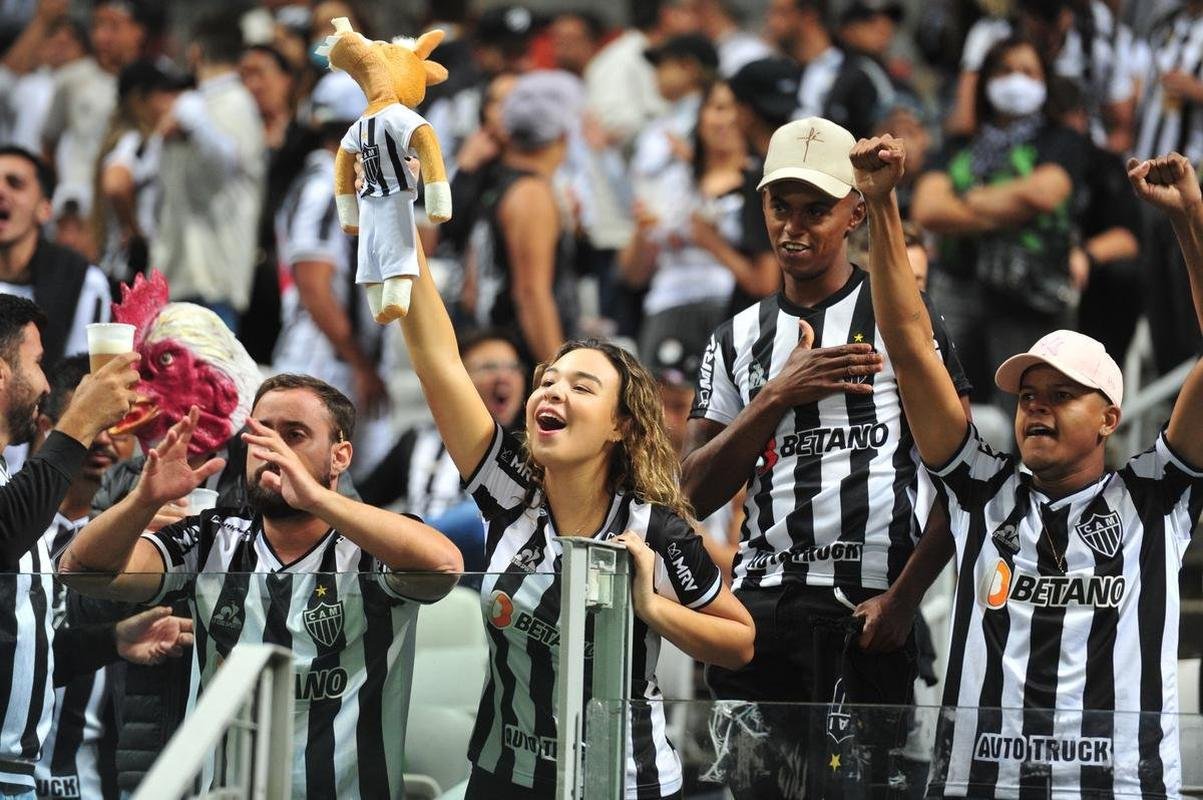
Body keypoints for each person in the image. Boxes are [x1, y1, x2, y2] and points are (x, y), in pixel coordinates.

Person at [852, 131, 1203, 797]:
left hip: (1116, 787)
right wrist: (881, 204)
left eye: (1062, 396)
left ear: (1108, 418)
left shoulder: (1156, 497)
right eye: (1028, 397)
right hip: (977, 785)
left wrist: (1188, 219)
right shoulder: (977, 490)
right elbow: (908, 346)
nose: (1036, 409)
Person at [394, 176, 754, 798]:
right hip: (502, 778)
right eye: (548, 380)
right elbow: (438, 360)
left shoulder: (654, 528)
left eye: (582, 387)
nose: (553, 392)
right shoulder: (508, 494)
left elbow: (740, 642)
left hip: (622, 782)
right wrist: (398, 220)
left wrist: (651, 608)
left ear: (620, 425)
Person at [680, 117, 971, 800]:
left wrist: (903, 602)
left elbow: (964, 478)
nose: (795, 226)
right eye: (781, 207)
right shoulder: (735, 337)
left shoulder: (900, 319)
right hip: (755, 609)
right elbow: (688, 494)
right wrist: (776, 395)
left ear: (854, 214)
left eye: (816, 210)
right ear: (762, 208)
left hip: (861, 611)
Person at [60, 374, 464, 799]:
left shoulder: (372, 547)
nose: (273, 450)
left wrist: (316, 497)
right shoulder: (212, 538)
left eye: (294, 435)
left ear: (340, 456)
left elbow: (445, 564)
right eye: (262, 433)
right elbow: (82, 571)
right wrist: (141, 501)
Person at [0, 294, 192, 800]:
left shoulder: (11, 489)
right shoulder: (21, 509)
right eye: (36, 364)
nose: (44, 385)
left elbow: (20, 653)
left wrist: (112, 641)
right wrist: (80, 420)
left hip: (18, 772)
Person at [912, 36, 1084, 410]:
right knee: (944, 394)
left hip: (1026, 295)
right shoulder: (959, 144)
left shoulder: (1062, 141)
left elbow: (1044, 194)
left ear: (1045, 82)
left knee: (1023, 399)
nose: (1015, 80)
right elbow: (928, 209)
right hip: (957, 286)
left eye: (1027, 71)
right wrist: (1010, 208)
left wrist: (969, 198)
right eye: (1005, 71)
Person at [622, 78, 771, 368]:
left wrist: (711, 243)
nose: (726, 118)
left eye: (735, 108)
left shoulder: (761, 182)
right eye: (717, 108)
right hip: (667, 303)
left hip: (730, 309)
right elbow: (633, 275)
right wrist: (643, 233)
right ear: (700, 116)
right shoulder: (671, 182)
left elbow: (765, 281)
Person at [358, 328, 525, 572]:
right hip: (423, 579)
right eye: (489, 367)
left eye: (512, 367)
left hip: (494, 576)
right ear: (457, 382)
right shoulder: (418, 440)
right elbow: (363, 500)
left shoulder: (532, 447)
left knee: (474, 519)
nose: (504, 377)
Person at [151, 10, 264, 332]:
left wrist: (195, 122)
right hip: (180, 270)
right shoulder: (192, 104)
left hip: (213, 277)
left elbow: (227, 162)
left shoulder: (235, 102)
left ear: (195, 52)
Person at [469, 70, 579, 364]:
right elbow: (531, 294)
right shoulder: (531, 194)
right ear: (562, 135)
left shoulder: (497, 183)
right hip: (522, 356)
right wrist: (560, 372)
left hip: (495, 342)